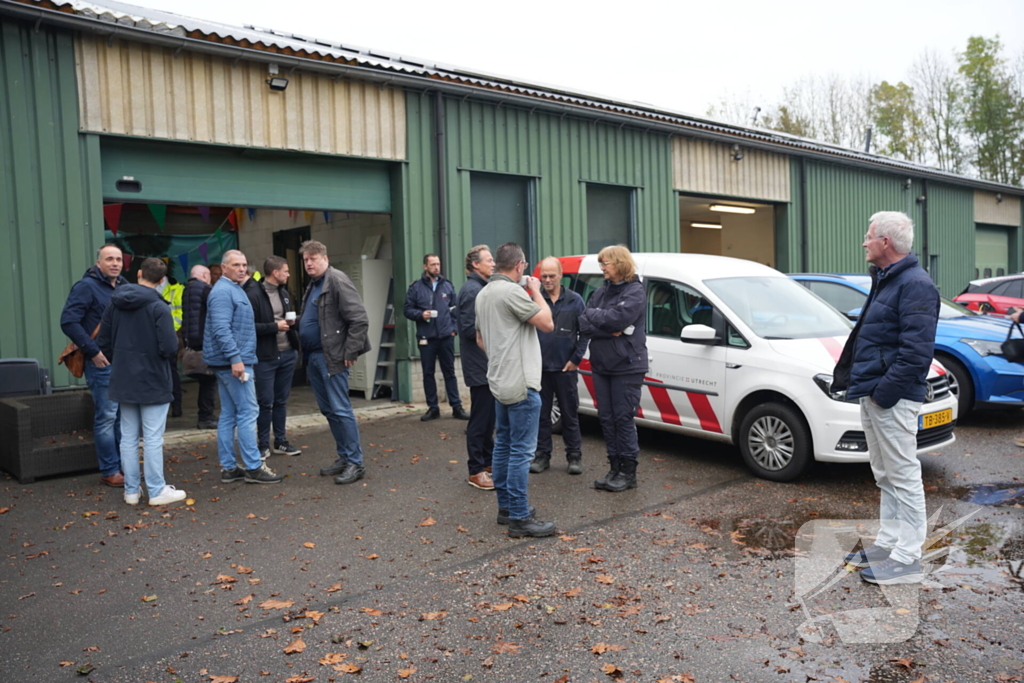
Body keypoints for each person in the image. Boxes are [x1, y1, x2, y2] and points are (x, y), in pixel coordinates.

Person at [833, 211, 939, 585]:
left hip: (890, 398)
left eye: (869, 235)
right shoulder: (887, 279)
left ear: (886, 243)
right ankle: (890, 543)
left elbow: (916, 354)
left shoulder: (915, 285)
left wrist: (882, 395)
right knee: (885, 474)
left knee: (904, 474)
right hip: (875, 393)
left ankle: (907, 558)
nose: (864, 241)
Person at [474, 242, 556, 538]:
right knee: (521, 451)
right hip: (521, 383)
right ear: (520, 266)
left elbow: (480, 339)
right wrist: (536, 292)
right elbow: (547, 322)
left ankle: (506, 508)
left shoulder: (483, 293)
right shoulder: (511, 292)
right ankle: (520, 517)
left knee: (504, 445)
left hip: (498, 381)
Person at [97, 258, 187, 507]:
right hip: (153, 378)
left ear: (138, 274)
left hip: (123, 377)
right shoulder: (160, 307)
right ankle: (156, 490)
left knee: (127, 437)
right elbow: (169, 346)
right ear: (161, 281)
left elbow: (103, 342)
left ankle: (131, 491)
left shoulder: (114, 303)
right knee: (152, 438)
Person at [203, 250, 284, 485]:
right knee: (249, 412)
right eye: (236, 265)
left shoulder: (233, 289)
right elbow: (221, 329)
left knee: (229, 415)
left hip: (231, 361)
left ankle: (230, 468)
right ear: (224, 267)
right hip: (235, 363)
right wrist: (236, 359)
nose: (241, 269)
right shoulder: (222, 292)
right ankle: (253, 467)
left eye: (244, 265)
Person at [299, 240, 371, 485]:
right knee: (329, 410)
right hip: (314, 357)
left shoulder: (336, 280)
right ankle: (344, 456)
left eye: (313, 258)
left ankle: (355, 463)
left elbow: (359, 319)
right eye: (306, 259)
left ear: (325, 259)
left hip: (332, 357)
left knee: (341, 409)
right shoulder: (314, 284)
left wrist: (350, 352)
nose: (309, 263)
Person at [578, 245, 648, 493]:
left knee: (622, 418)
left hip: (627, 366)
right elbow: (584, 323)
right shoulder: (599, 293)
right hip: (602, 365)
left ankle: (628, 473)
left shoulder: (635, 292)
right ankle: (614, 468)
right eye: (600, 263)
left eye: (605, 263)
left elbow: (619, 319)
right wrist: (608, 327)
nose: (602, 268)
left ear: (619, 263)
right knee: (606, 419)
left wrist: (603, 320)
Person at [60, 244, 128, 487]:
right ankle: (110, 471)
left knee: (121, 417)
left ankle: (123, 466)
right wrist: (93, 351)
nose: (115, 263)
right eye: (109, 259)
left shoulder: (124, 286)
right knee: (107, 417)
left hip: (123, 362)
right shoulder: (86, 287)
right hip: (101, 363)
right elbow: (68, 321)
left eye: (118, 259)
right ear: (98, 263)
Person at [531, 257, 589, 475]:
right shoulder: (536, 300)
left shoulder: (575, 300)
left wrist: (576, 359)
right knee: (541, 415)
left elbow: (585, 332)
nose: (547, 280)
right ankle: (542, 457)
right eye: (543, 276)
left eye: (551, 276)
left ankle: (574, 457)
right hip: (541, 369)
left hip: (566, 369)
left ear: (560, 275)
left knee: (569, 414)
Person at [244, 255, 301, 459]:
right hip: (265, 357)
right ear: (275, 273)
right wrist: (273, 327)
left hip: (287, 354)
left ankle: (281, 441)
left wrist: (294, 323)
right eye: (285, 271)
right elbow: (247, 327)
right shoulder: (253, 295)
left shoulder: (284, 293)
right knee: (264, 402)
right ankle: (262, 445)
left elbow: (288, 316)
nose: (288, 274)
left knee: (281, 400)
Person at [404, 254, 469, 422]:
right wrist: (420, 314)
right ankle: (433, 408)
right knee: (428, 373)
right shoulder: (416, 288)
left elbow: (455, 310)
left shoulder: (447, 286)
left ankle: (457, 407)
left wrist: (454, 329)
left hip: (446, 336)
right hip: (427, 337)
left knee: (450, 372)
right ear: (425, 266)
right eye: (433, 264)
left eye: (438, 264)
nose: (436, 267)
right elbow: (407, 309)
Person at [457, 245, 497, 490]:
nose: (493, 264)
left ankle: (488, 462)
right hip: (478, 365)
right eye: (489, 260)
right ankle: (476, 470)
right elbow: (469, 329)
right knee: (480, 419)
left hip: (486, 364)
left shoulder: (481, 287)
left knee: (489, 417)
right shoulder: (472, 291)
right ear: (476, 265)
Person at [182, 265, 218, 429]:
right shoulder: (206, 290)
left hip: (192, 343)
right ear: (205, 275)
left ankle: (205, 415)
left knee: (205, 382)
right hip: (205, 343)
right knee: (209, 381)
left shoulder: (186, 290)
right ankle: (206, 416)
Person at [157, 274, 185, 417]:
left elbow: (181, 313)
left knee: (172, 373)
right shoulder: (152, 289)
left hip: (172, 335)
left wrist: (174, 330)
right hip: (156, 336)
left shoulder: (176, 289)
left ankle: (176, 406)